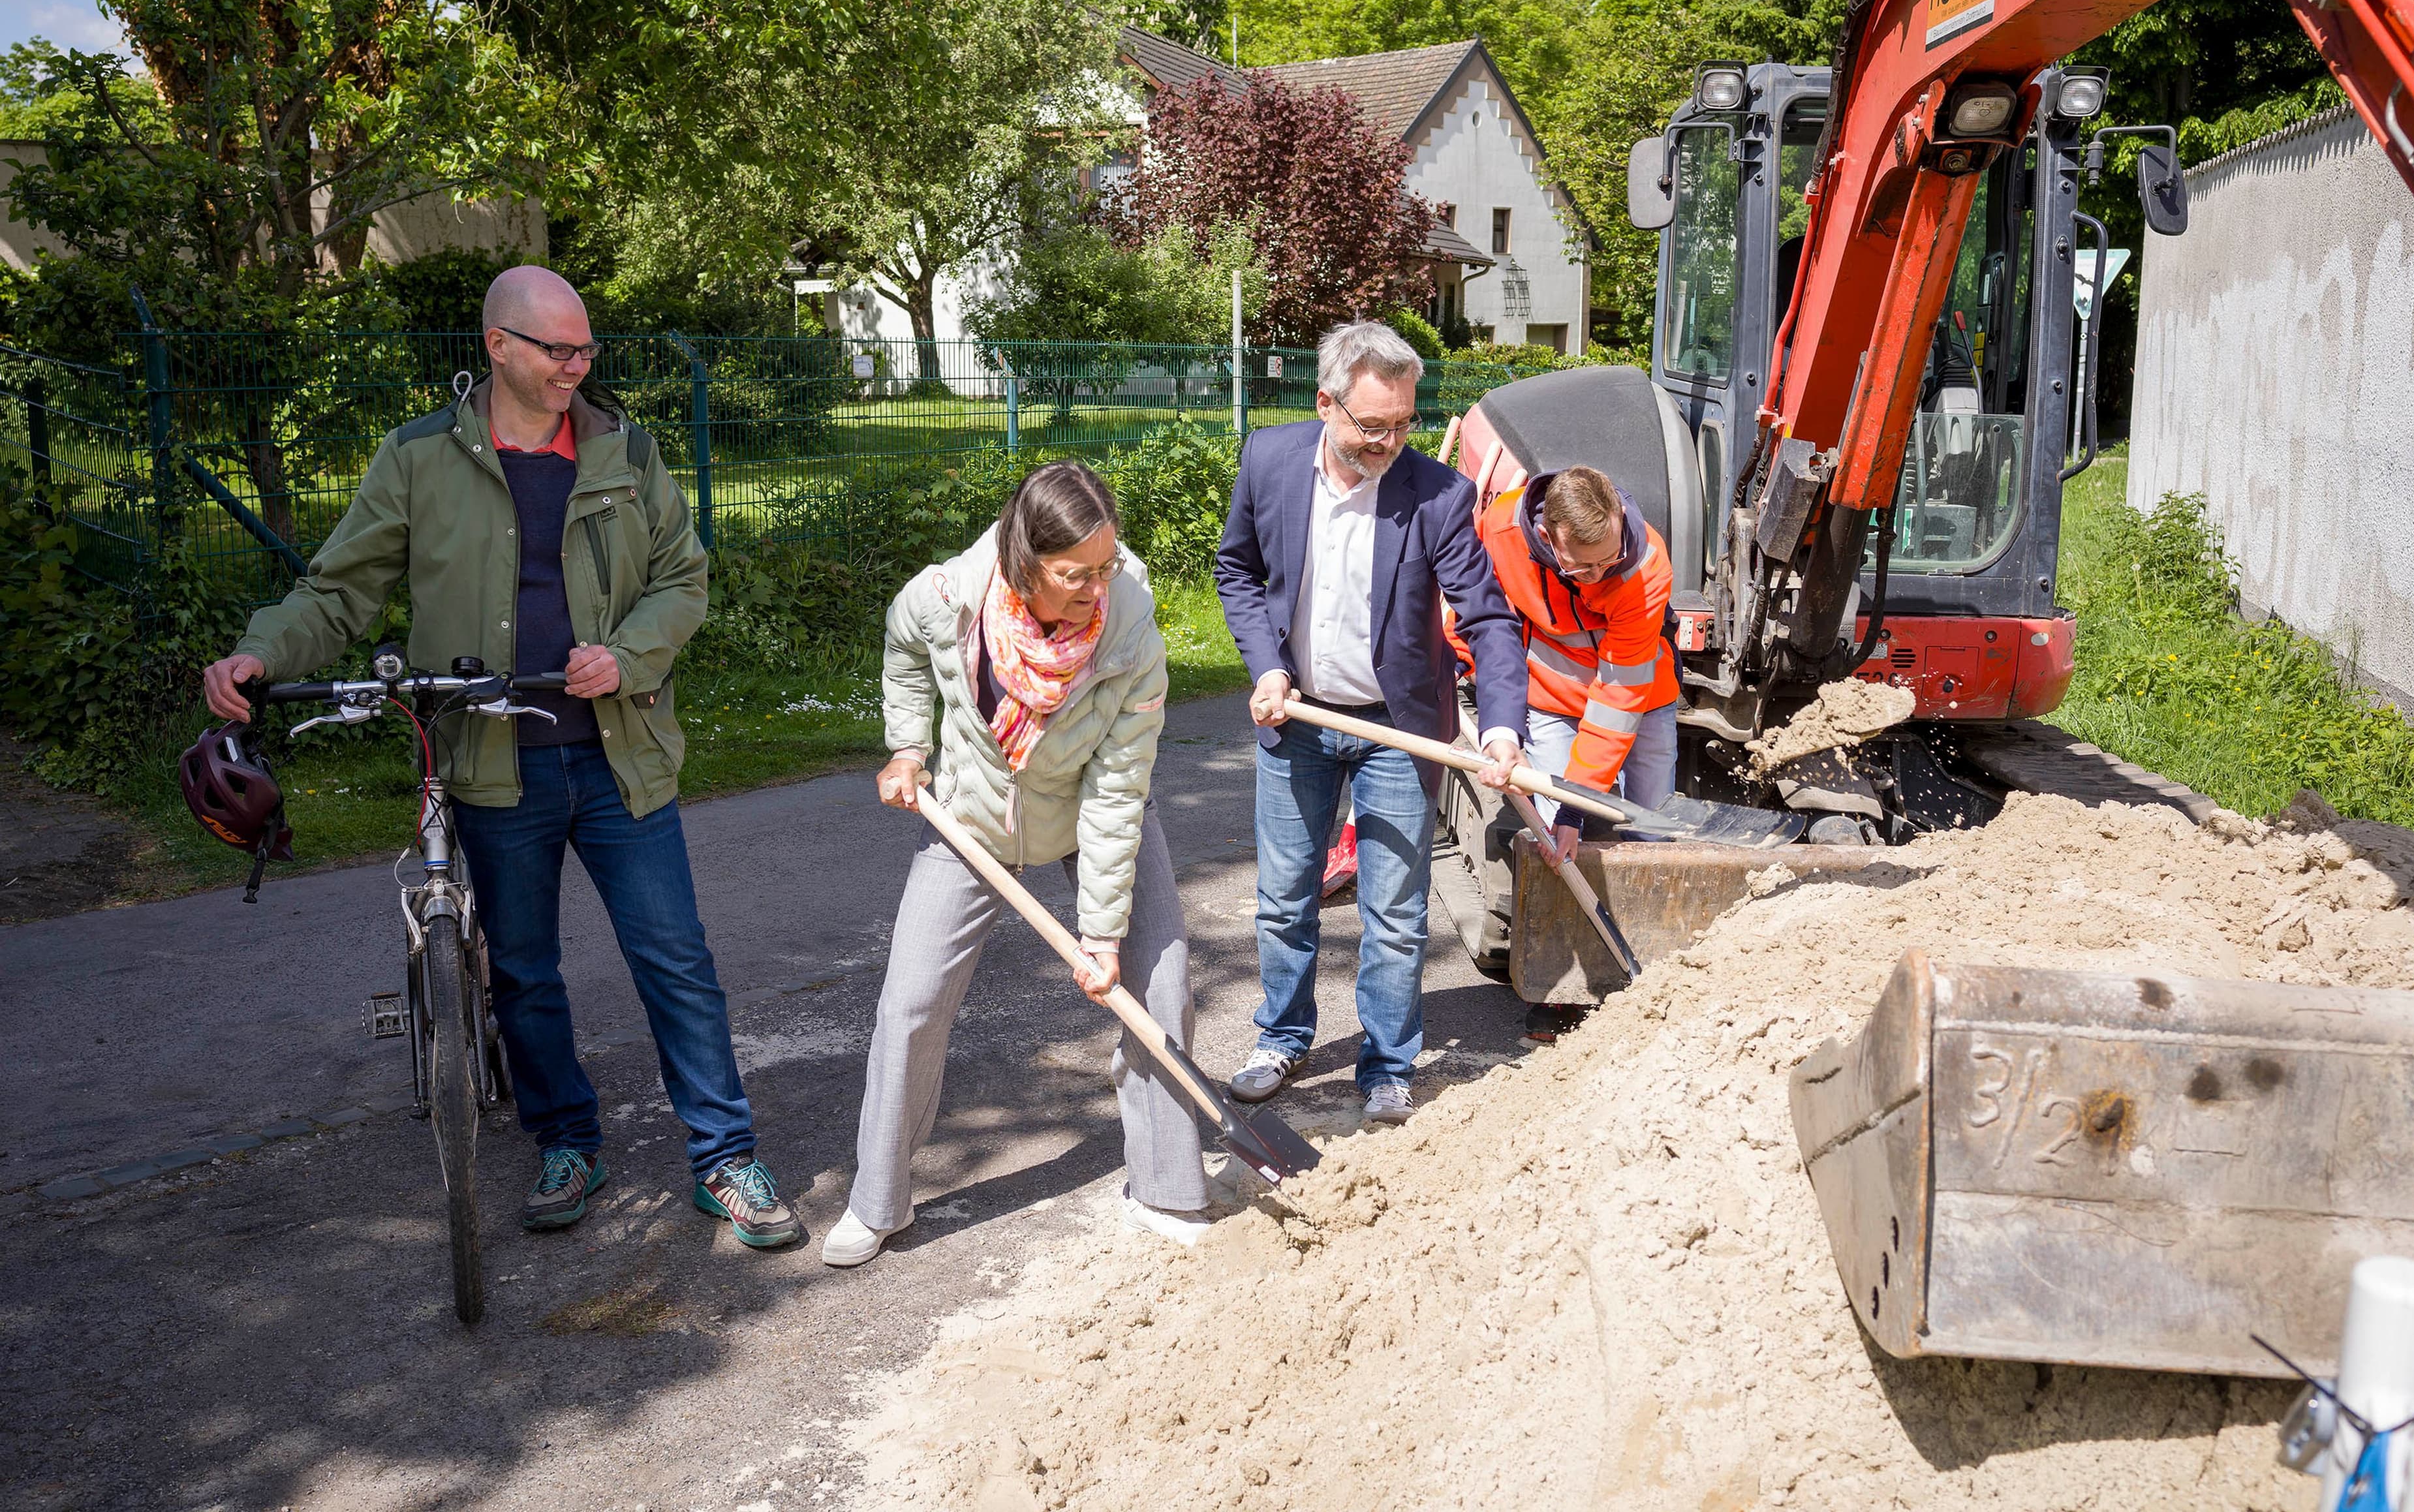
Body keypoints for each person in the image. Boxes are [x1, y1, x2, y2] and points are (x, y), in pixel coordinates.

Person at [201, 265, 805, 1252]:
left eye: (586, 349)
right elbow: (340, 589)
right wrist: (263, 650)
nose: (577, 366)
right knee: (523, 970)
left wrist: (630, 652)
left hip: (621, 755)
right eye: (556, 349)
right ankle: (567, 1140)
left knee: (677, 960)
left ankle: (724, 1155)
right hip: (490, 760)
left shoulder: (626, 450)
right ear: (497, 345)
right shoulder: (419, 461)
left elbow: (682, 579)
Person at [822, 459, 1208, 1267]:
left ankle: (1168, 1186)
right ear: (1022, 561)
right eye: (1075, 575)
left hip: (1093, 812)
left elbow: (1115, 789)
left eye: (1107, 567)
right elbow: (902, 649)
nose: (1096, 589)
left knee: (1159, 981)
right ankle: (878, 1201)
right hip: (972, 822)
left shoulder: (1130, 626)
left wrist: (1101, 933)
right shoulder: (946, 599)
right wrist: (906, 744)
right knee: (911, 1003)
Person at [1213, 320, 1530, 1126]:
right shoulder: (1270, 462)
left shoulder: (1441, 497)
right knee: (1285, 897)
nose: (1391, 440)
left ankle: (1387, 1063)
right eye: (1372, 425)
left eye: (1404, 422)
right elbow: (1238, 571)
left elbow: (1489, 620)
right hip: (1301, 721)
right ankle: (1282, 1037)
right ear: (1326, 405)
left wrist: (1500, 729)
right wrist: (1267, 667)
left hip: (1402, 730)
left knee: (1395, 911)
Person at [1479, 465, 1682, 863]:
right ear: (1546, 537)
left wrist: (1577, 803)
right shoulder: (1501, 530)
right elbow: (1477, 616)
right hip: (1553, 699)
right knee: (1556, 837)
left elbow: (1617, 699)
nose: (1598, 575)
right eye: (1582, 567)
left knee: (1653, 830)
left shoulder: (1646, 565)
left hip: (1640, 699)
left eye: (1609, 560)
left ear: (1619, 519)